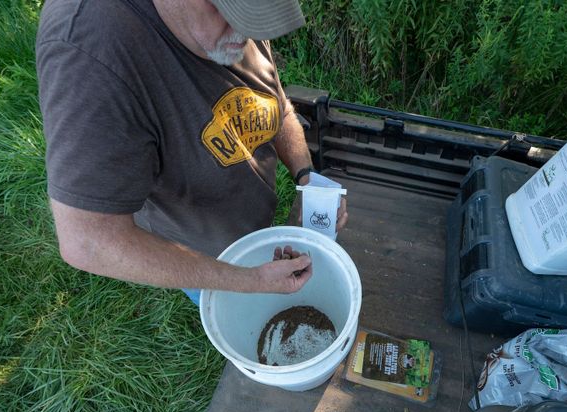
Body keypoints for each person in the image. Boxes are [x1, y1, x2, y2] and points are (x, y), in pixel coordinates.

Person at [36, 0, 347, 305]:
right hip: (202, 257)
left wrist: (306, 176)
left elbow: (273, 101)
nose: (246, 31)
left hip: (250, 227)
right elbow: (89, 241)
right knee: (235, 309)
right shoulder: (89, 54)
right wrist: (251, 280)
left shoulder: (228, 27)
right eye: (231, 11)